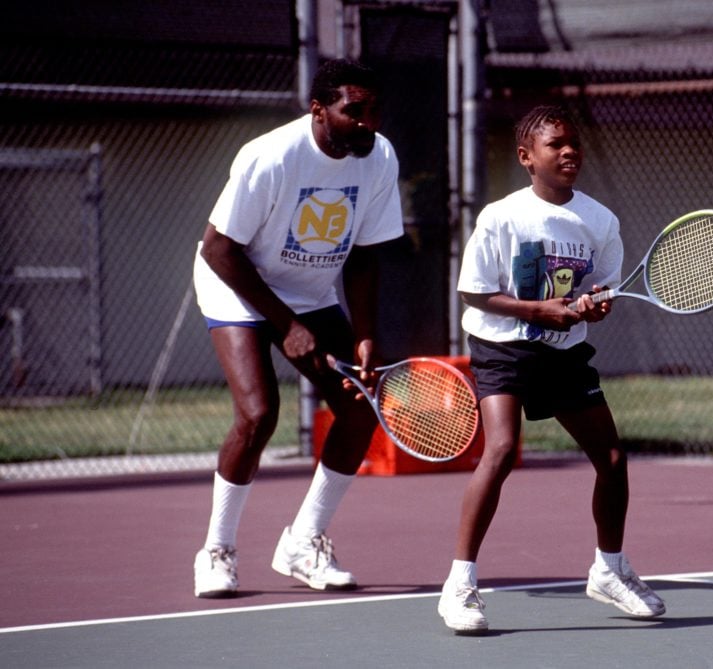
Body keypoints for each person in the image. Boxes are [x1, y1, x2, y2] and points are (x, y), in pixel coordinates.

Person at [437, 105, 666, 633]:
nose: (569, 152)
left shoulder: (600, 220)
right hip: (503, 347)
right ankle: (460, 585)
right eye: (555, 144)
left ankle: (609, 571)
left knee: (611, 458)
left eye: (574, 144)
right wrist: (538, 310)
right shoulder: (502, 216)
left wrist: (595, 306)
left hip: (564, 353)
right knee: (499, 450)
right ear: (526, 157)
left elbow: (600, 293)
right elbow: (473, 291)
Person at [191, 59, 404, 598]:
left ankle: (304, 541)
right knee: (259, 414)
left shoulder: (378, 159)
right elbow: (220, 249)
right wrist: (286, 325)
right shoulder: (271, 157)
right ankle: (217, 549)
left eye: (374, 110)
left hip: (307, 288)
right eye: (353, 111)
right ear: (319, 111)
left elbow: (363, 256)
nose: (367, 121)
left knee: (360, 406)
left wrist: (364, 333)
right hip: (235, 280)